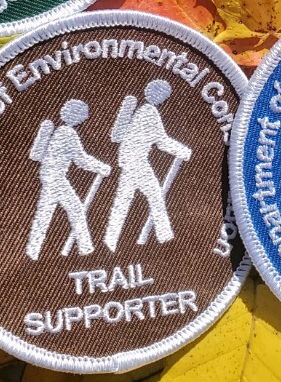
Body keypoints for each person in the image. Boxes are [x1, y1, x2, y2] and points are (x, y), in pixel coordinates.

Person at [104, 79, 191, 254]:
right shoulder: (149, 113)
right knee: (154, 196)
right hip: (137, 162)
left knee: (125, 201)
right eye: (164, 96)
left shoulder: (141, 111)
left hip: (130, 161)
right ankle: (165, 237)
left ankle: (111, 240)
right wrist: (183, 151)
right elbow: (161, 141)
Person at [25, 99, 111, 260]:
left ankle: (33, 251)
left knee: (47, 214)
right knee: (74, 210)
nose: (84, 118)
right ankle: (86, 249)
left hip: (49, 176)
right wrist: (101, 167)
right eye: (83, 115)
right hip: (56, 178)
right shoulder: (67, 133)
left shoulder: (60, 131)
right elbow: (80, 159)